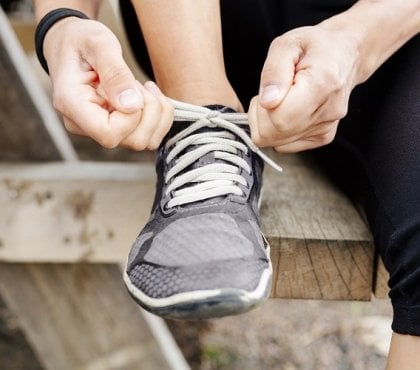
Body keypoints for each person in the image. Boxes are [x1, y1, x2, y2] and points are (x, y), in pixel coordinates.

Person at [33, 1, 419, 368]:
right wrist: (61, 23)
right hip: (195, 32)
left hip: (390, 31)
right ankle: (204, 128)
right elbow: (64, 19)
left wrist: (357, 40)